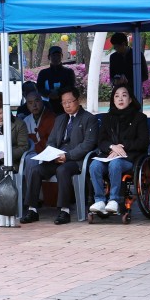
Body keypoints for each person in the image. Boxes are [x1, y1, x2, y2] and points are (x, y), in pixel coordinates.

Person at [20, 87, 98, 225]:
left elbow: (88, 144)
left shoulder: (88, 118)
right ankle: (32, 209)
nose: (67, 105)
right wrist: (52, 154)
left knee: (63, 170)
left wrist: (67, 156)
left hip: (76, 159)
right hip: (57, 157)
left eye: (70, 102)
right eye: (64, 102)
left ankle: (65, 210)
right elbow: (51, 140)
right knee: (36, 170)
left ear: (78, 100)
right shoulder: (60, 118)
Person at [88, 85, 149, 215]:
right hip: (108, 155)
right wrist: (112, 147)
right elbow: (101, 141)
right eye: (117, 96)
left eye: (124, 95)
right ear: (113, 100)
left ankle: (114, 200)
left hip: (129, 158)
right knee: (94, 165)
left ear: (130, 99)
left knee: (115, 164)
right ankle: (99, 200)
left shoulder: (139, 118)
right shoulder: (107, 118)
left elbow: (142, 142)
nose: (120, 98)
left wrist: (122, 147)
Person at [37, 46, 76, 114]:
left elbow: (71, 87)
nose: (56, 57)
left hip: (65, 107)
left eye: (58, 55)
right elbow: (39, 88)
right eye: (53, 55)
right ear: (49, 57)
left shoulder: (69, 72)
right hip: (47, 107)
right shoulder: (43, 73)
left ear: (62, 56)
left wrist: (59, 93)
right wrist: (49, 94)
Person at [20, 90, 56, 157]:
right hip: (30, 154)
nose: (34, 105)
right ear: (27, 105)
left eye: (36, 101)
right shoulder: (26, 120)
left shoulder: (52, 118)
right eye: (30, 103)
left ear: (42, 101)